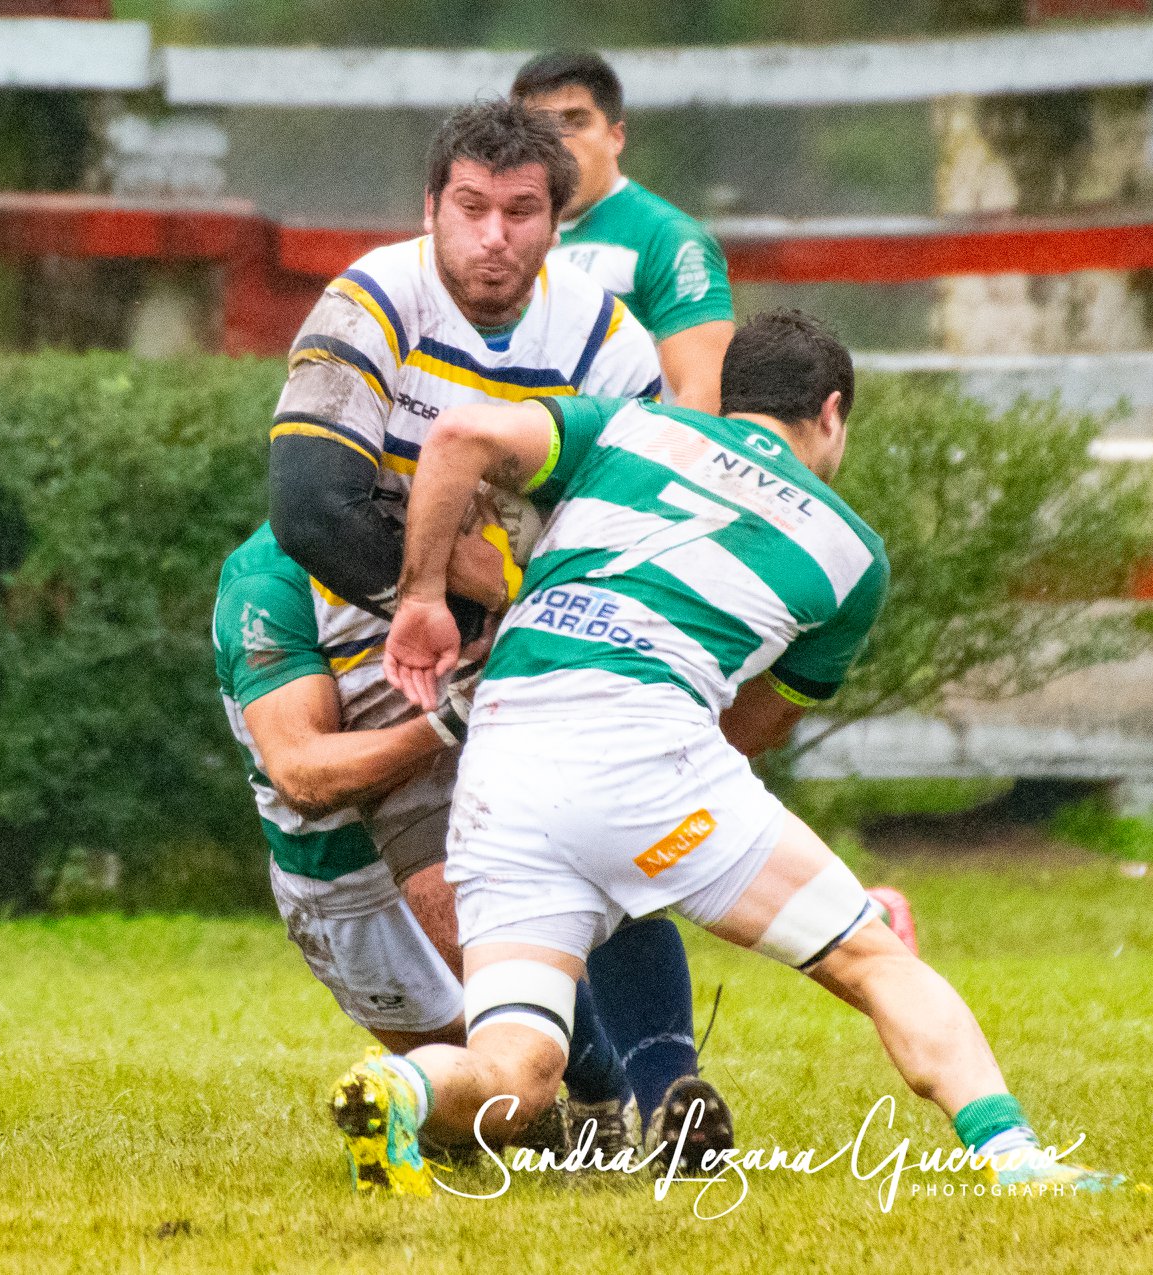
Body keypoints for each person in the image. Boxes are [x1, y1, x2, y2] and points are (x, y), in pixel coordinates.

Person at [325, 309, 1125, 1198]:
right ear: (831, 413)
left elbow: (464, 431)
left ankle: (401, 1086)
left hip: (501, 761)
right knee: (872, 958)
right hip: (642, 754)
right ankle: (1017, 1158)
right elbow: (750, 730)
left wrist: (422, 595)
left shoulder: (627, 426)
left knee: (516, 1068)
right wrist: (665, 823)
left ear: (725, 395)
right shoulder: (850, 553)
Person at [264, 98, 730, 1164]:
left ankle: (670, 1097)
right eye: (470, 208)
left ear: (557, 223)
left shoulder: (606, 338)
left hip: (553, 632)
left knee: (600, 852)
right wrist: (450, 593)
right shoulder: (371, 301)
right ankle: (598, 1095)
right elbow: (312, 504)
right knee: (457, 896)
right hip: (390, 655)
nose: (492, 236)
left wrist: (518, 596)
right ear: (432, 206)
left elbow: (640, 522)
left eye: (520, 212)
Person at [213, 519, 633, 1146]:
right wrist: (449, 720)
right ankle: (565, 1104)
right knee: (493, 1111)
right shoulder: (268, 581)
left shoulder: (467, 519)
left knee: (524, 1059)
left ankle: (609, 1100)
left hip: (465, 819)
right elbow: (302, 772)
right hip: (344, 878)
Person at [512, 50, 735, 414]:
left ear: (616, 137)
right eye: (541, 127)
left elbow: (705, 396)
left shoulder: (669, 237)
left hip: (626, 460)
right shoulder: (499, 234)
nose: (559, 141)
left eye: (576, 121)